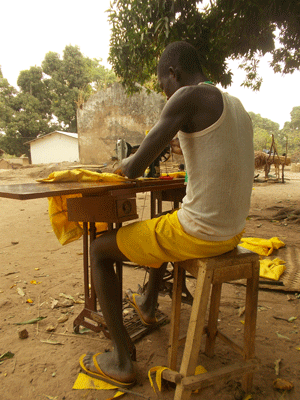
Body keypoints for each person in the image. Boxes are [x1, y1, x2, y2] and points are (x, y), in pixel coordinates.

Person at [80, 41, 254, 387]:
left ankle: (121, 359)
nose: (166, 93)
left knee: (100, 248)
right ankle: (146, 302)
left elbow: (134, 166)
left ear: (173, 73)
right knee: (160, 224)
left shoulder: (187, 96)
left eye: (163, 85)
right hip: (232, 232)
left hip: (202, 235)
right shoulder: (237, 106)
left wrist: (119, 165)